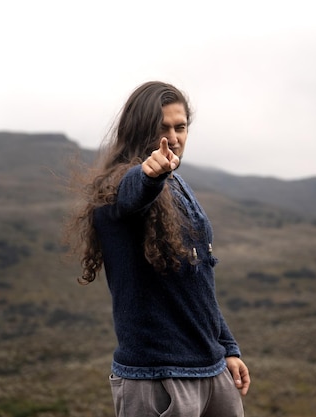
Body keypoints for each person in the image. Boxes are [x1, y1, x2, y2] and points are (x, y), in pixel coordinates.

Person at [67, 81, 250, 416]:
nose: (175, 137)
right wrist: (150, 177)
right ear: (139, 129)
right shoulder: (116, 188)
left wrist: (227, 347)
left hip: (212, 370)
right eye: (162, 128)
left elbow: (198, 281)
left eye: (180, 127)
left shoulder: (179, 183)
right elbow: (133, 194)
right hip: (158, 380)